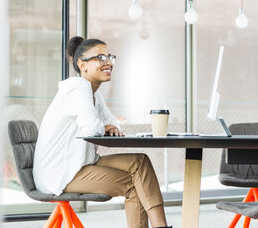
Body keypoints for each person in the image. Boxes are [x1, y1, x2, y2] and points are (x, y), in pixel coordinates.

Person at [33, 36, 171, 228]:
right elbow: (92, 128)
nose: (108, 62)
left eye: (109, 57)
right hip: (61, 174)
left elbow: (113, 125)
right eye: (100, 57)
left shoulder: (93, 92)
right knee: (133, 185)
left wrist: (107, 127)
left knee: (140, 162)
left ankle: (161, 226)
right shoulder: (78, 87)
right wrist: (104, 127)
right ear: (83, 65)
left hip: (80, 164)